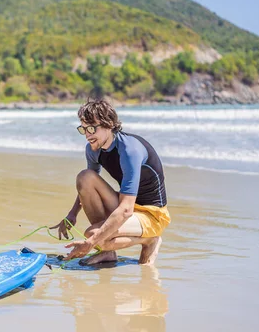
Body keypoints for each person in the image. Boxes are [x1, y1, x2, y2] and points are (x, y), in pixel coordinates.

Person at [51, 98, 170, 265]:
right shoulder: (93, 150)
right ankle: (108, 253)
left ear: (108, 124)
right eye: (83, 129)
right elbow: (87, 188)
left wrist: (89, 244)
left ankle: (150, 240)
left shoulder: (129, 150)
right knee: (85, 177)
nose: (87, 135)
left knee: (93, 235)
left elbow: (126, 209)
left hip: (152, 214)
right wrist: (72, 214)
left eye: (92, 128)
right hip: (128, 204)